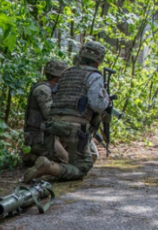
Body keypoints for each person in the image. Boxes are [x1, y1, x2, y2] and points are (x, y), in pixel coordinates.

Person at [23, 41, 111, 182]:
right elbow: (97, 104)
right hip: (73, 128)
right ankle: (49, 167)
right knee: (82, 167)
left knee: (77, 157)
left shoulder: (67, 73)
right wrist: (107, 101)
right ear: (97, 62)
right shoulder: (94, 75)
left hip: (54, 126)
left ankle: (36, 159)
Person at [22, 59, 69, 167]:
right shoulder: (42, 89)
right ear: (58, 77)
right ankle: (34, 157)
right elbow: (49, 114)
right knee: (68, 163)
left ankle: (36, 156)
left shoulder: (53, 90)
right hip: (39, 138)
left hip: (48, 135)